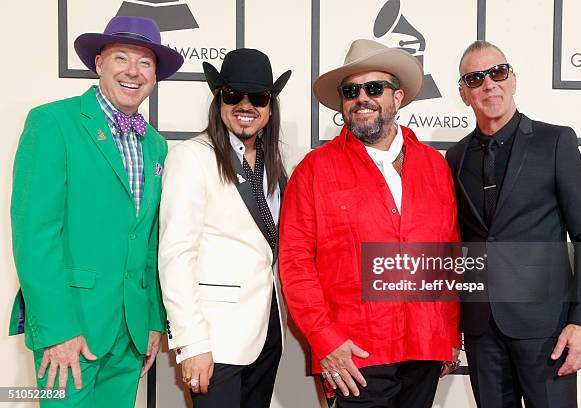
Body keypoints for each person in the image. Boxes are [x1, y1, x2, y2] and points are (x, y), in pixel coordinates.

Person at [8, 16, 183, 406]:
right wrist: (56, 329)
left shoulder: (155, 144)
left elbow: (152, 237)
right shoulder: (53, 122)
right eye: (122, 58)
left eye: (145, 63)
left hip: (131, 330)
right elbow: (34, 234)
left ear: (155, 75)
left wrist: (153, 320)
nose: (133, 72)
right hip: (72, 327)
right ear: (99, 63)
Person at [279, 39, 460, 408]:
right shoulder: (314, 170)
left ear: (398, 98)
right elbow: (295, 264)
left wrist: (449, 336)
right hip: (354, 356)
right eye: (351, 91)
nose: (362, 98)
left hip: (424, 349)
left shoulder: (435, 166)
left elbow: (448, 255)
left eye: (373, 88)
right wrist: (324, 340)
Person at [446, 40, 581, 407]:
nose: (489, 84)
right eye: (475, 78)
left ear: (513, 80)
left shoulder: (555, 141)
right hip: (482, 331)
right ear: (463, 93)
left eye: (498, 73)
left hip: (548, 330)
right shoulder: (454, 158)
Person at [158, 48, 291, 408]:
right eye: (233, 95)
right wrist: (192, 343)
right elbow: (175, 254)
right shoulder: (191, 157)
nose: (245, 106)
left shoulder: (272, 163)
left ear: (270, 106)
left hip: (266, 333)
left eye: (258, 98)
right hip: (214, 340)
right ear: (219, 99)